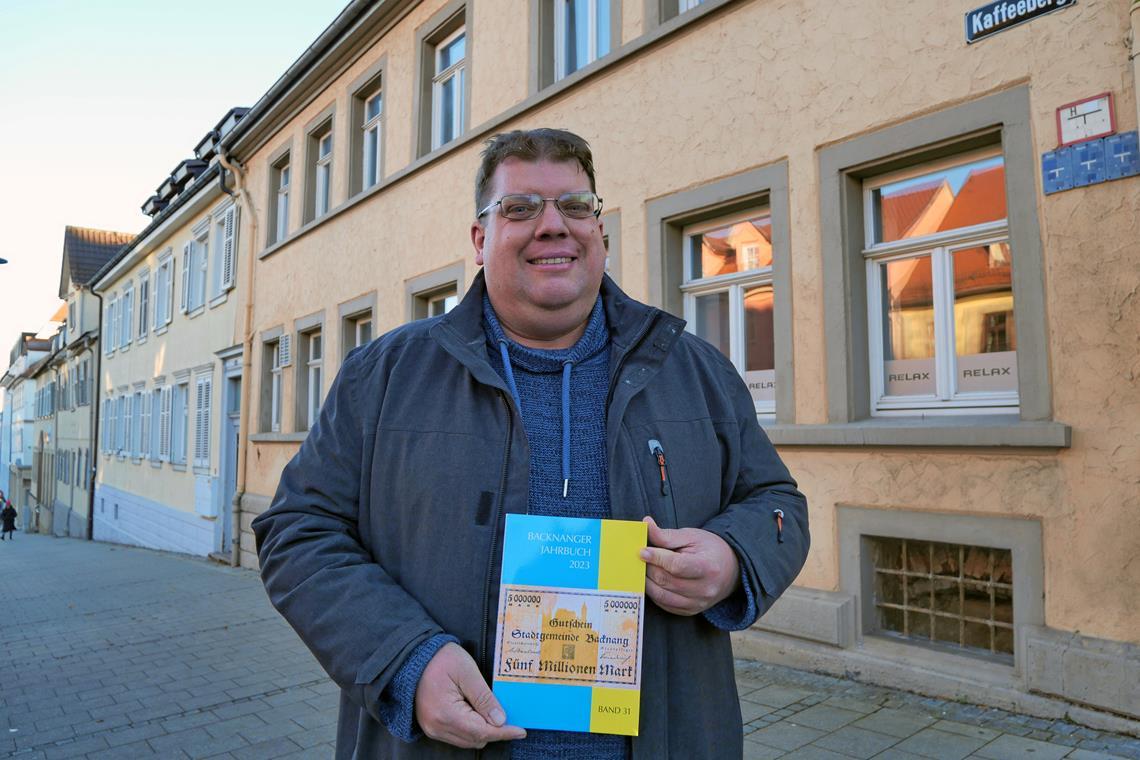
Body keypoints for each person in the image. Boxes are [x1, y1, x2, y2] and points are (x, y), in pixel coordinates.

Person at [253, 128, 809, 759]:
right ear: (479, 239)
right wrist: (405, 660)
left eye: (575, 206)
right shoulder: (382, 377)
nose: (553, 226)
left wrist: (735, 557)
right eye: (520, 208)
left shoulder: (696, 371)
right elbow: (298, 531)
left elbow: (777, 502)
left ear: (600, 230)